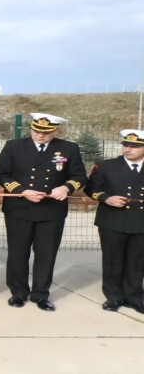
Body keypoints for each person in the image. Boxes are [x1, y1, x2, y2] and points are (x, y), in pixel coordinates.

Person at [0, 113, 87, 312]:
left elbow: (79, 175)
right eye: (36, 131)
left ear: (55, 131)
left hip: (51, 210)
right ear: (31, 128)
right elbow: (1, 172)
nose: (40, 135)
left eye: (46, 132)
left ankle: (41, 294)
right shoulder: (14, 146)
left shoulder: (68, 148)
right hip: (20, 208)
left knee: (46, 254)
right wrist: (21, 191)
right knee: (18, 253)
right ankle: (18, 292)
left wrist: (66, 188)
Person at [84, 129, 144, 314]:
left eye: (134, 146)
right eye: (126, 145)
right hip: (112, 220)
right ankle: (113, 296)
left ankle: (135, 296)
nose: (128, 149)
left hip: (141, 221)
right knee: (112, 260)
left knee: (137, 261)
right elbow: (91, 188)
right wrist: (106, 198)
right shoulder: (105, 166)